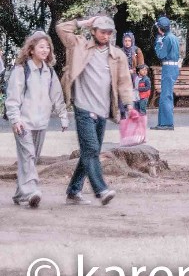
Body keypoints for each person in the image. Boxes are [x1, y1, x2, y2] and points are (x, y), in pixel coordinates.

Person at [55, 14, 135, 205]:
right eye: (102, 32)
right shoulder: (79, 46)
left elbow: (124, 82)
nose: (106, 36)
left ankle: (74, 191)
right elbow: (61, 29)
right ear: (93, 31)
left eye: (109, 33)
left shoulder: (117, 56)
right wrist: (86, 22)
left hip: (102, 110)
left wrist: (130, 104)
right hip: (83, 107)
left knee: (89, 151)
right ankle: (101, 189)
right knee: (91, 150)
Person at [5, 32, 65, 209]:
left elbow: (56, 95)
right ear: (31, 50)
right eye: (41, 47)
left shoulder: (49, 71)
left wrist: (62, 116)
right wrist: (15, 119)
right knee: (28, 156)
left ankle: (19, 194)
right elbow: (13, 97)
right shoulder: (21, 70)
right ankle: (32, 191)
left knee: (31, 159)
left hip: (42, 123)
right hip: (24, 122)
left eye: (47, 47)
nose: (45, 50)